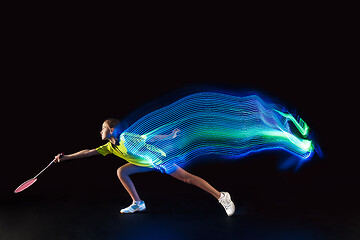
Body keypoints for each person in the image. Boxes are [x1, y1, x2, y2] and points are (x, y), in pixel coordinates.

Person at [54, 118, 235, 216]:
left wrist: (170, 136)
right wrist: (66, 157)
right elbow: (88, 152)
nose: (99, 131)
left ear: (111, 130)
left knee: (188, 178)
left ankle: (222, 196)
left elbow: (150, 138)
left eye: (102, 127)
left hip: (157, 160)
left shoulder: (127, 138)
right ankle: (138, 203)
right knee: (122, 171)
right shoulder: (109, 147)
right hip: (144, 163)